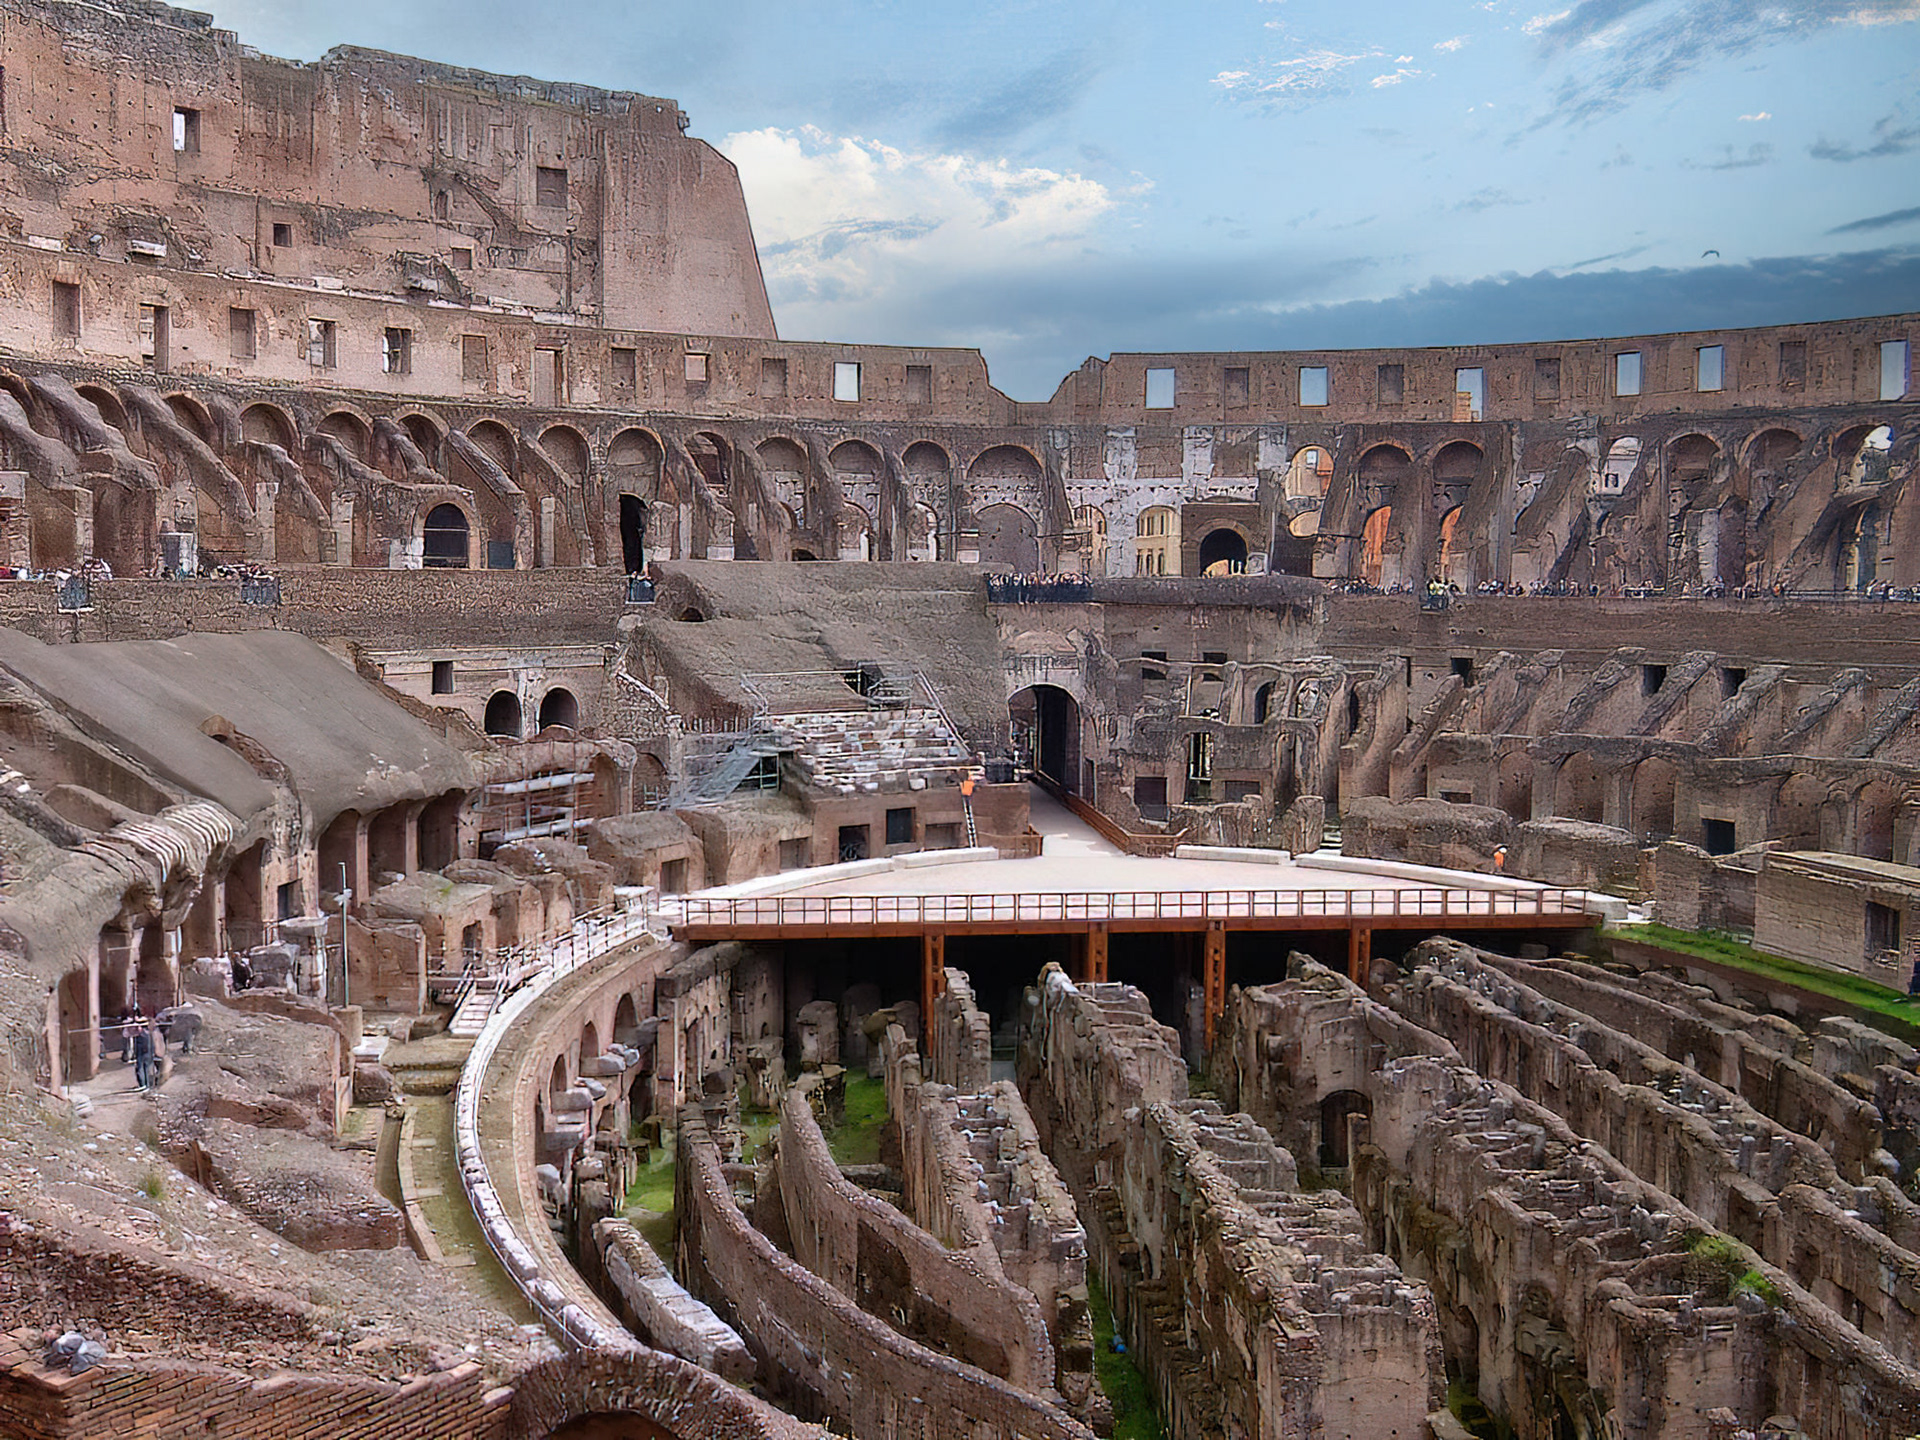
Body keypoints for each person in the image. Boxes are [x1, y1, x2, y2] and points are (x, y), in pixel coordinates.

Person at [131, 1019, 154, 1090]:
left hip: (142, 1054)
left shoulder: (141, 1036)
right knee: (146, 1069)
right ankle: (147, 1085)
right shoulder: (148, 1034)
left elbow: (141, 1047)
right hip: (147, 1054)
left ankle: (143, 1084)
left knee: (141, 1069)